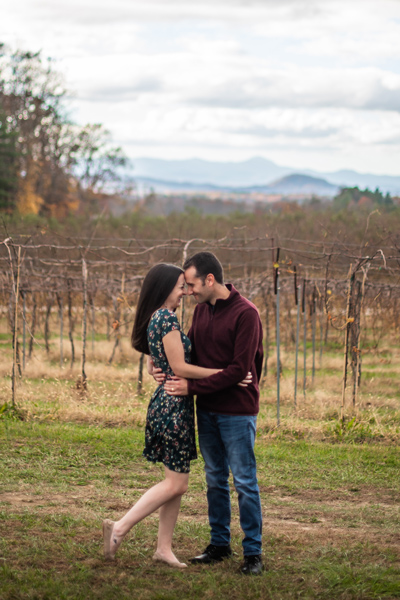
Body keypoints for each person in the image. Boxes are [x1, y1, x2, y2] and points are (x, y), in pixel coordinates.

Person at [103, 263, 229, 568]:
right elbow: (182, 368)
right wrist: (227, 374)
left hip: (172, 405)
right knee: (177, 484)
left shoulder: (161, 318)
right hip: (172, 408)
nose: (184, 292)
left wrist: (152, 362)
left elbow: (160, 356)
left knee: (175, 480)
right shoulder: (165, 319)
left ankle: (163, 548)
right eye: (178, 287)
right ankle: (119, 528)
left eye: (185, 286)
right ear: (164, 290)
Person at [163, 251, 264, 575]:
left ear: (210, 279)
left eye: (192, 284)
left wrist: (192, 388)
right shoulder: (201, 312)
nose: (188, 291)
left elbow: (238, 370)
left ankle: (253, 554)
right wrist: (164, 366)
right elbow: (190, 355)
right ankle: (219, 545)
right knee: (215, 480)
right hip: (206, 411)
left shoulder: (246, 314)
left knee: (245, 482)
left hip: (237, 412)